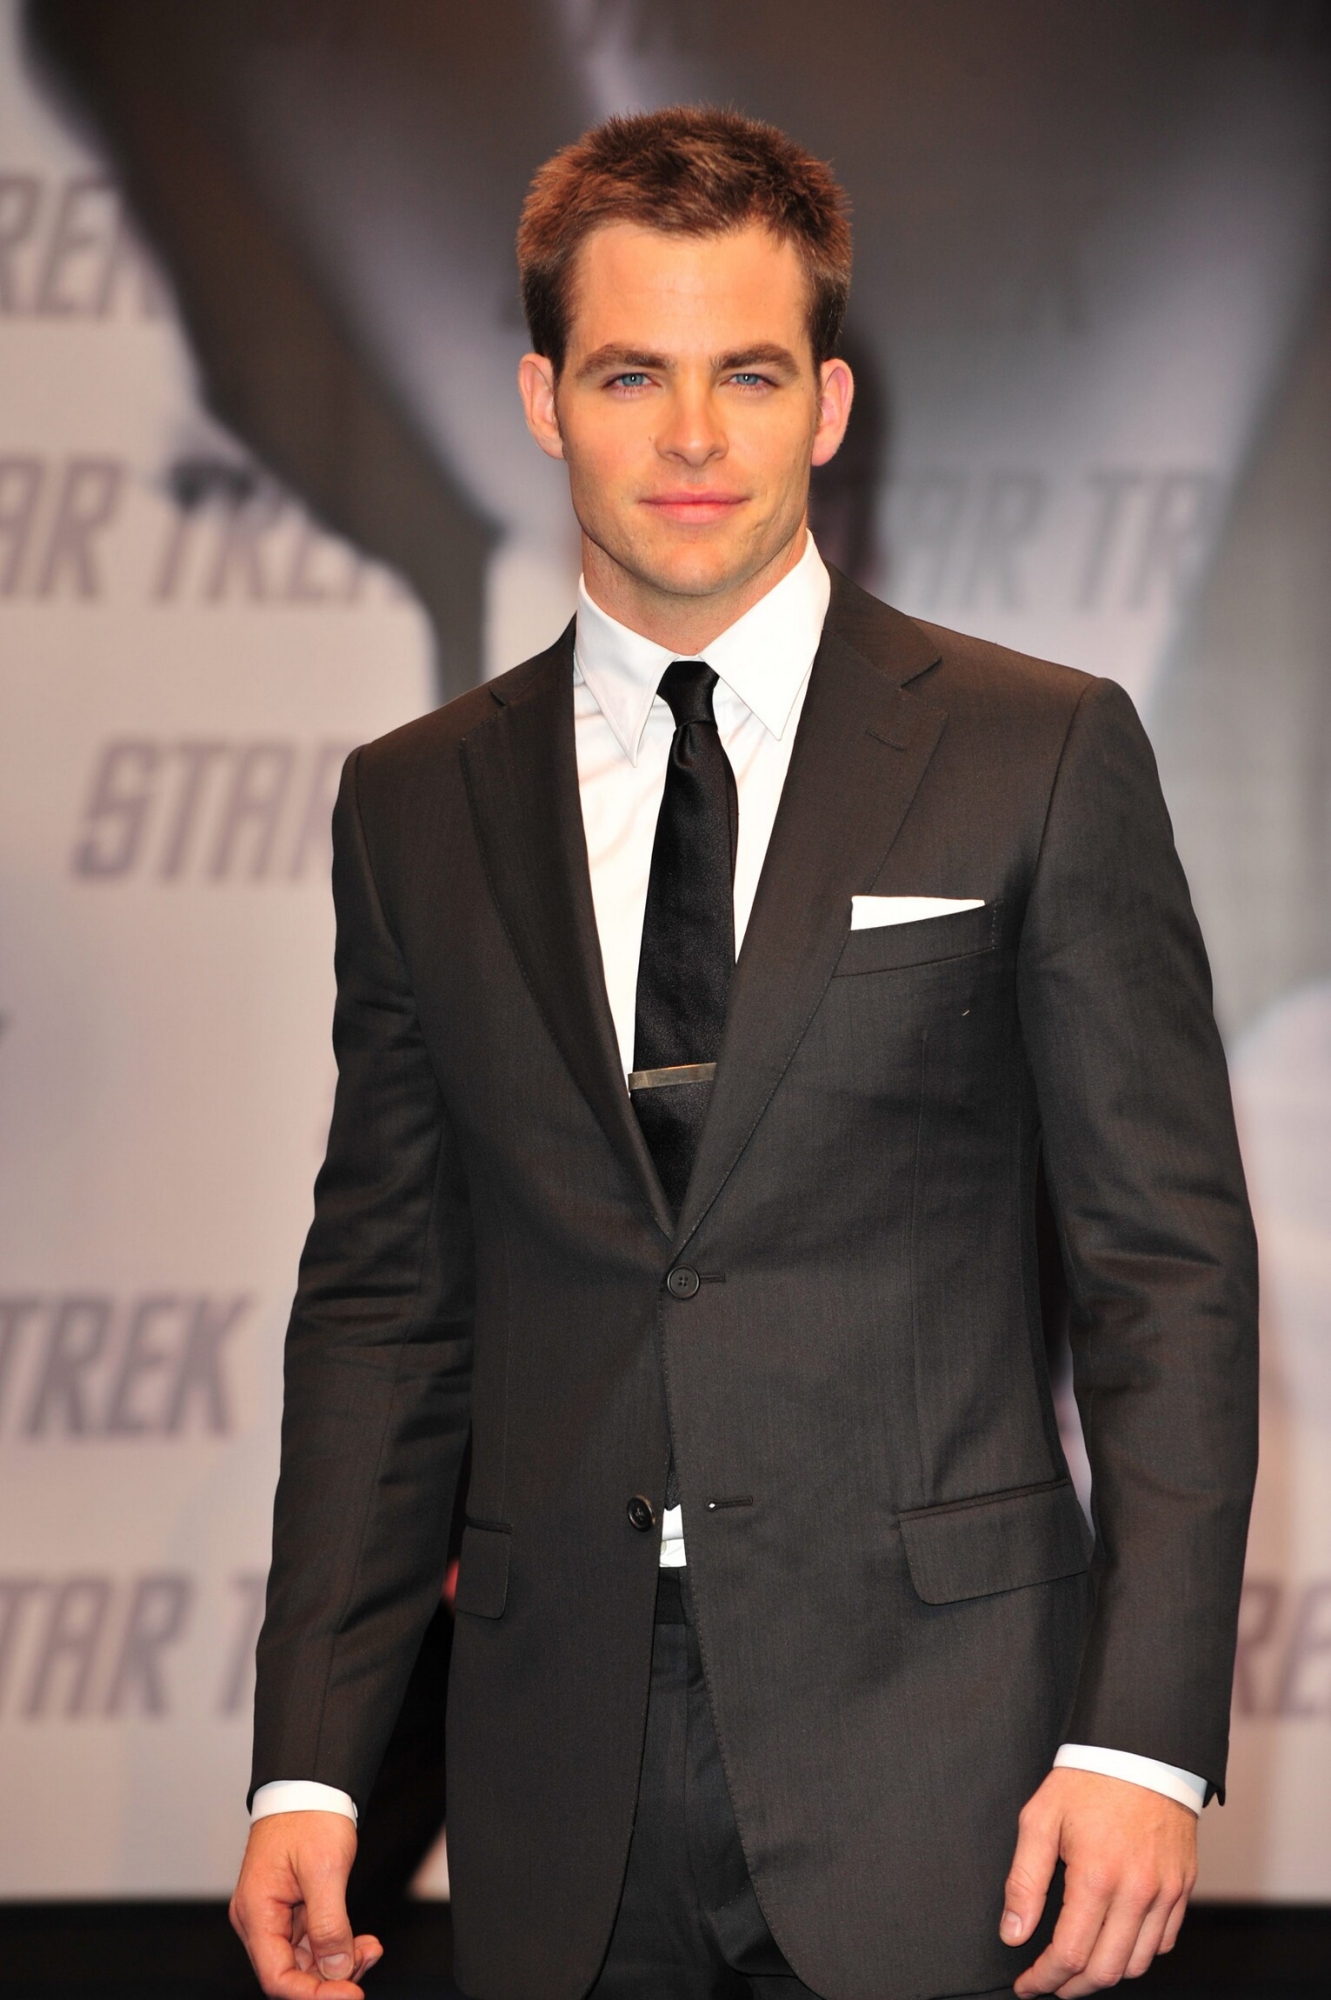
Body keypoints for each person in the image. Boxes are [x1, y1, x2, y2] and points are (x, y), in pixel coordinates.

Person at [229, 108, 1258, 2000]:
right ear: (545, 400)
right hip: (555, 1767)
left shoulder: (1036, 752)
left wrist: (1143, 1742)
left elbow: (1168, 1276)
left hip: (952, 1759)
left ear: (830, 405)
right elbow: (384, 1305)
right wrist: (308, 1760)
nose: (694, 436)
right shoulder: (415, 802)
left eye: (750, 374)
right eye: (633, 373)